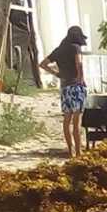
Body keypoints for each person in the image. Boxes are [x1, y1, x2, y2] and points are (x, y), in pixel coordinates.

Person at [38, 26, 88, 157]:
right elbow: (79, 64)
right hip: (76, 86)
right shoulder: (75, 47)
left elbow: (42, 64)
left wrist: (56, 74)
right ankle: (78, 151)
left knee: (67, 119)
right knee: (77, 120)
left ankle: (70, 150)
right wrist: (80, 79)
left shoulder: (59, 50)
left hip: (65, 87)